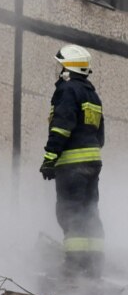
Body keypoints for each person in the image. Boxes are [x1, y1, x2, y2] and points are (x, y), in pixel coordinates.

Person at [41, 44, 104, 279]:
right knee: (89, 211)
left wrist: (49, 159)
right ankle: (94, 267)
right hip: (93, 164)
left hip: (72, 165)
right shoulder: (93, 95)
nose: (58, 71)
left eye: (61, 66)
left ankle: (74, 267)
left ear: (69, 70)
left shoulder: (67, 91)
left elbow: (61, 126)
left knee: (70, 211)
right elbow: (100, 136)